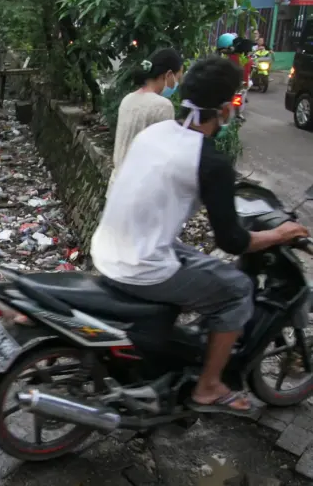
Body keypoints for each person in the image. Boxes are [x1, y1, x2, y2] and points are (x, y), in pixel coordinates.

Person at [91, 56, 310, 416]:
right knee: (238, 290)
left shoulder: (155, 133)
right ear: (224, 110)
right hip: (140, 266)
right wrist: (280, 233)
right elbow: (234, 242)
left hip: (109, 248)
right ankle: (208, 387)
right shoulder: (209, 161)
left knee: (202, 264)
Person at [110, 48, 183, 185]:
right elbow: (164, 157)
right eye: (177, 78)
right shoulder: (163, 106)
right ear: (168, 75)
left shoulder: (128, 99)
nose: (177, 85)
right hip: (140, 190)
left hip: (116, 187)